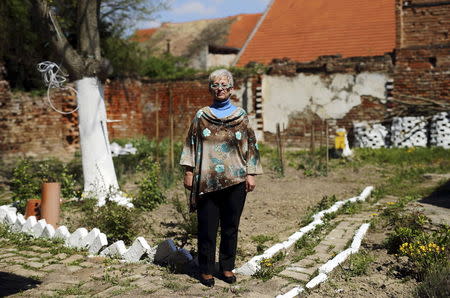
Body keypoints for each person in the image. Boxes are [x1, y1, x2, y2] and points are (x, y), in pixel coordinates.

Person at [180, 69, 263, 287]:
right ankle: (206, 269)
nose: (220, 89)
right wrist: (189, 171)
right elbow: (190, 143)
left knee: (230, 227)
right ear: (210, 89)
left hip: (236, 180)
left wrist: (251, 173)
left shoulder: (241, 116)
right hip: (207, 181)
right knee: (207, 227)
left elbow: (251, 146)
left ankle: (227, 267)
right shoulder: (201, 116)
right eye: (216, 85)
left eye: (224, 85)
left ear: (231, 89)